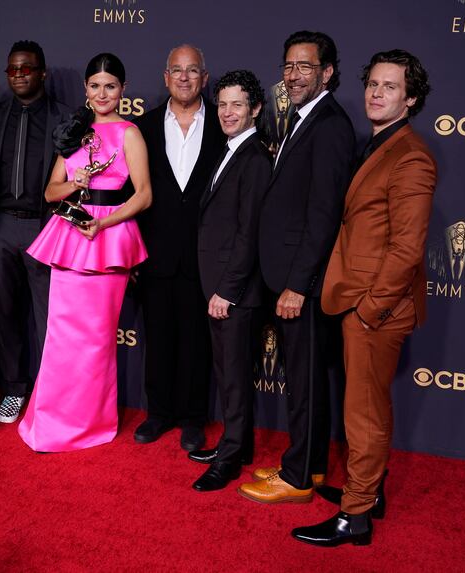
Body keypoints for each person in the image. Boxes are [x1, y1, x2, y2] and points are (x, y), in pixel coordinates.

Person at [292, 49, 436, 546]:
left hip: (376, 306)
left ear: (411, 98)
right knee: (367, 406)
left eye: (390, 87)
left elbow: (407, 248)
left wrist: (371, 308)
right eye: (373, 84)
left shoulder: (412, 157)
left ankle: (354, 517)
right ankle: (368, 492)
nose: (376, 93)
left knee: (365, 414)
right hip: (354, 297)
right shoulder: (375, 144)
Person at [238, 31, 355, 503]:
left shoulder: (328, 125)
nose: (293, 75)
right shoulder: (303, 119)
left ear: (327, 71)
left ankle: (300, 478)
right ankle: (307, 464)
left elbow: (324, 214)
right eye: (288, 66)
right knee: (303, 377)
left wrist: (299, 285)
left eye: (305, 66)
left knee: (305, 381)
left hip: (299, 282)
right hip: (285, 275)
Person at [18, 53, 152, 452]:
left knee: (96, 340)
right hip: (72, 236)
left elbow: (144, 195)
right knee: (60, 337)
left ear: (123, 90)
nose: (102, 93)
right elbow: (49, 192)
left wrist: (104, 223)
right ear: (86, 90)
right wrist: (76, 184)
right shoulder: (73, 131)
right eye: (95, 86)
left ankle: (91, 425)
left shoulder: (130, 133)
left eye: (110, 86)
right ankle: (52, 422)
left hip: (108, 241)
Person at [132, 44, 225, 452]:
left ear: (205, 79)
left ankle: (192, 418)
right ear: (165, 77)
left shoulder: (226, 126)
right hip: (155, 253)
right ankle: (159, 413)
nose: (184, 77)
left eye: (193, 71)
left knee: (197, 342)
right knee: (158, 337)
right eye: (176, 70)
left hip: (205, 256)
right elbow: (127, 192)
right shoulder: (143, 127)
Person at [0, 41, 70, 424]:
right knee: (4, 313)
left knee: (49, 317)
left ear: (42, 73)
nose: (19, 75)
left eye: (27, 69)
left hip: (43, 226)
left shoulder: (65, 118)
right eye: (13, 70)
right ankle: (15, 388)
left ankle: (53, 395)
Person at [190, 70, 272, 491]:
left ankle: (230, 458)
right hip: (219, 285)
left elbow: (249, 232)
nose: (227, 112)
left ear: (255, 108)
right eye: (222, 104)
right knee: (227, 373)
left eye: (237, 104)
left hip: (233, 292)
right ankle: (236, 446)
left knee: (236, 376)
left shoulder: (255, 159)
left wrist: (228, 290)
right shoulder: (231, 151)